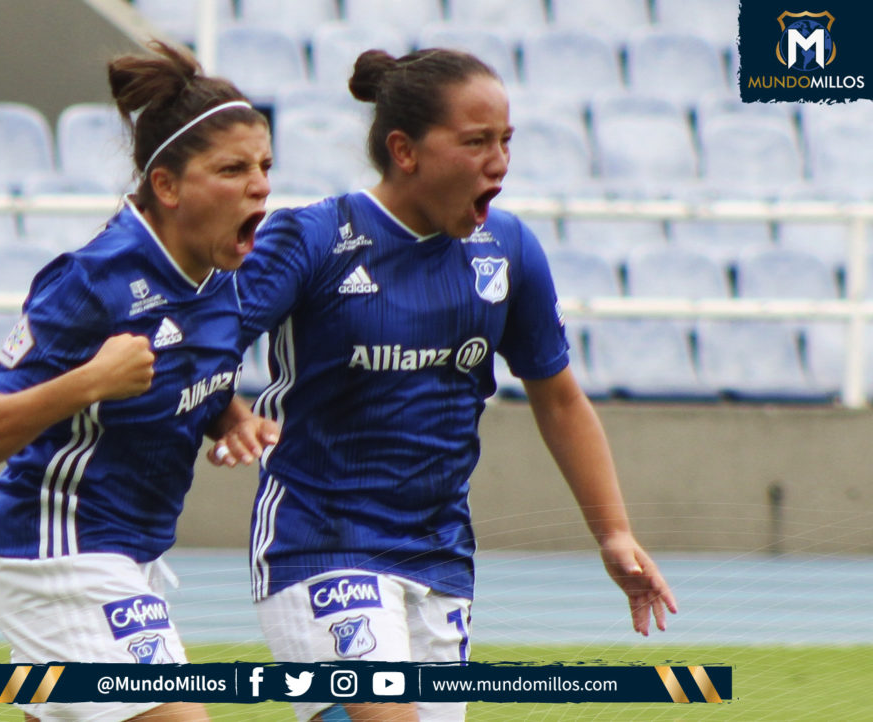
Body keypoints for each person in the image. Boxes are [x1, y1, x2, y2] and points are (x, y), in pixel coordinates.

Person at [212, 48, 678, 722]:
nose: (499, 162)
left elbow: (559, 396)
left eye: (506, 141)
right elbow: (203, 339)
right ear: (405, 150)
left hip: (439, 555)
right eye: (477, 142)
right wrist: (224, 407)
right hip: (321, 542)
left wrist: (613, 533)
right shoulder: (313, 238)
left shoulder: (509, 251)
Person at [0, 41, 277, 722]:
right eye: (233, 168)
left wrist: (229, 414)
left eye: (265, 166)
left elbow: (184, 369)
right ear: (167, 185)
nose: (260, 185)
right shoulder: (92, 280)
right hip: (60, 551)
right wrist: (89, 380)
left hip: (130, 552)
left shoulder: (224, 276)